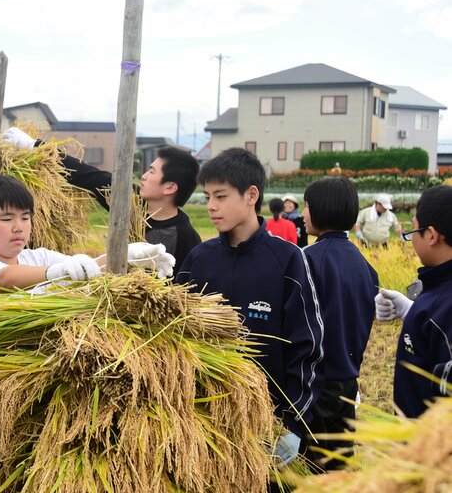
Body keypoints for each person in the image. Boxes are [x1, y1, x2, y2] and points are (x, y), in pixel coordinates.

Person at [174, 148, 324, 469]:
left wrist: (293, 426)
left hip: (267, 427)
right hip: (204, 423)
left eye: (221, 196)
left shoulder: (288, 259)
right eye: (207, 196)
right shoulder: (199, 260)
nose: (211, 206)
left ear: (251, 195)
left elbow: (306, 348)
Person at [1, 127, 201, 275]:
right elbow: (87, 175)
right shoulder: (128, 202)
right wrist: (34, 147)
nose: (145, 176)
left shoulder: (185, 237)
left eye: (152, 171)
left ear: (170, 188)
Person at [0, 174, 175, 299]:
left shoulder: (39, 258)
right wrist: (55, 273)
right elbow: (5, 279)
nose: (18, 227)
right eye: (6, 219)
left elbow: (86, 269)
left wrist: (126, 255)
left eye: (25, 218)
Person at [301, 177, 378, 470]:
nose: (303, 214)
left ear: (319, 209)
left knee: (305, 470)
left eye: (307, 207)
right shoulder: (364, 264)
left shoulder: (306, 260)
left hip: (315, 385)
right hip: (348, 384)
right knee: (339, 466)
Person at [374, 185, 452, 418]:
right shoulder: (436, 290)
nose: (411, 240)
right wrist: (412, 312)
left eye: (412, 232)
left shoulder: (444, 305)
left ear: (431, 235)